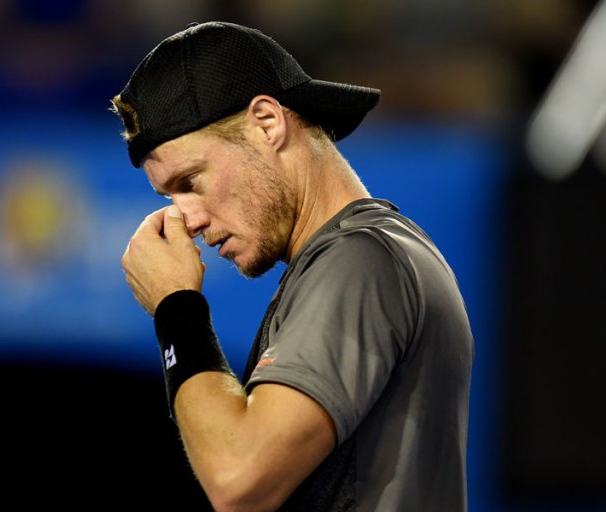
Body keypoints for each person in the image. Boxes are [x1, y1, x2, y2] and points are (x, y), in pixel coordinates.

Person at [114, 21, 473, 512]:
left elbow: (240, 478)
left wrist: (176, 309)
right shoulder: (359, 256)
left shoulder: (359, 259)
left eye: (191, 181)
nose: (188, 220)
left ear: (267, 122)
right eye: (169, 196)